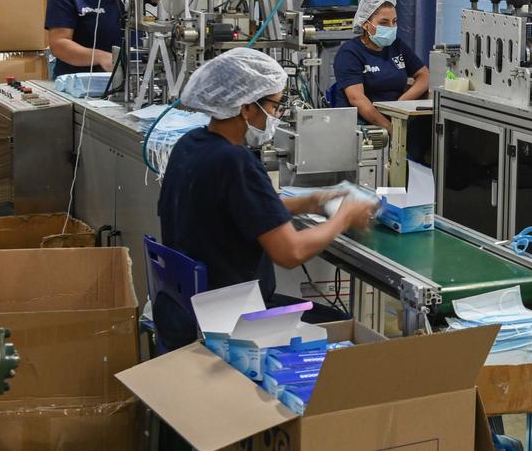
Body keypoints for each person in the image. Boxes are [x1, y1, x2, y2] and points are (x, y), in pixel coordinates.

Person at [156, 49, 378, 347]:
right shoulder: (235, 162)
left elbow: (232, 211)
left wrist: (308, 202)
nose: (276, 116)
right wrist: (343, 217)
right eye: (274, 106)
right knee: (344, 329)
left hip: (183, 308)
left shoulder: (191, 145)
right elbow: (291, 253)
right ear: (246, 108)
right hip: (232, 319)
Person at [331, 0, 430, 134]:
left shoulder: (396, 46)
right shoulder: (350, 53)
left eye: (394, 21)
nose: (391, 27)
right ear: (366, 25)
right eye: (384, 23)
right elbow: (357, 99)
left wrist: (401, 103)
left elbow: (424, 75)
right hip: (362, 123)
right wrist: (390, 128)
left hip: (396, 116)